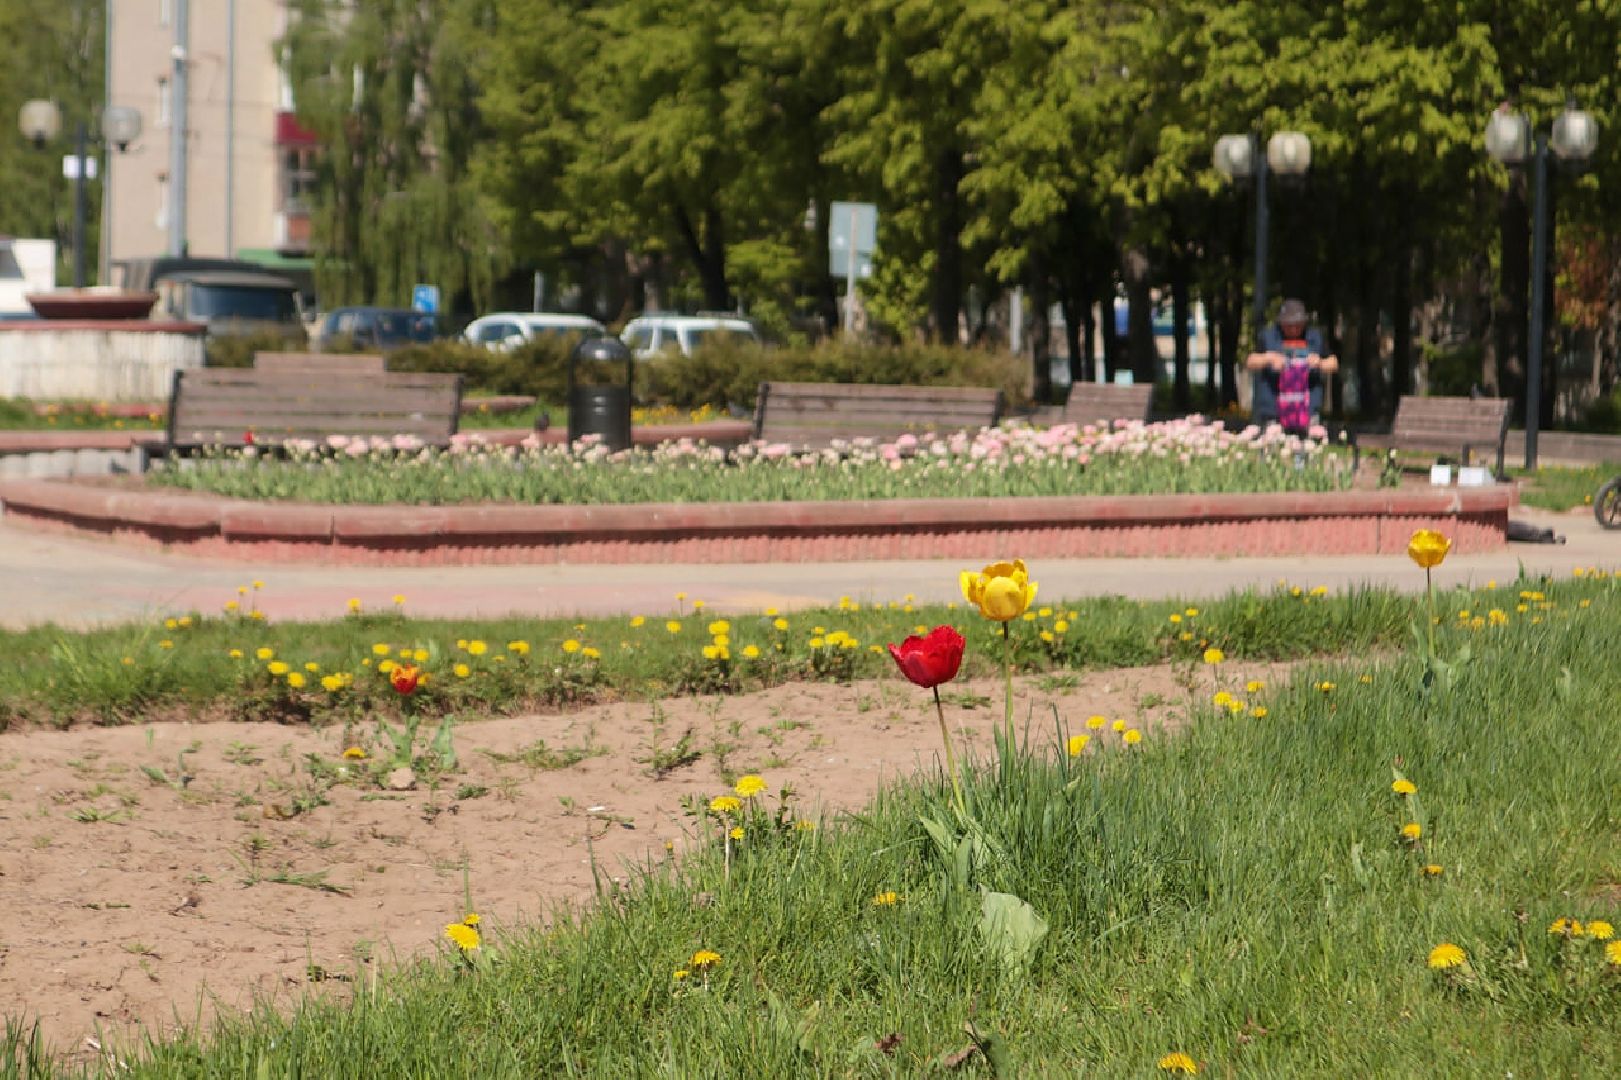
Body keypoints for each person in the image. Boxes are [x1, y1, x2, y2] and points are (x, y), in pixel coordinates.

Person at [1245, 298, 1338, 432]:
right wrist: (1269, 358)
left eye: (1298, 325)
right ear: (1281, 322)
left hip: (1307, 411)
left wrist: (1320, 363)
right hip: (1274, 411)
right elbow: (1250, 361)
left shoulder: (1315, 337)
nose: (1293, 329)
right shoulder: (1268, 336)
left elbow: (1333, 363)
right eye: (1288, 325)